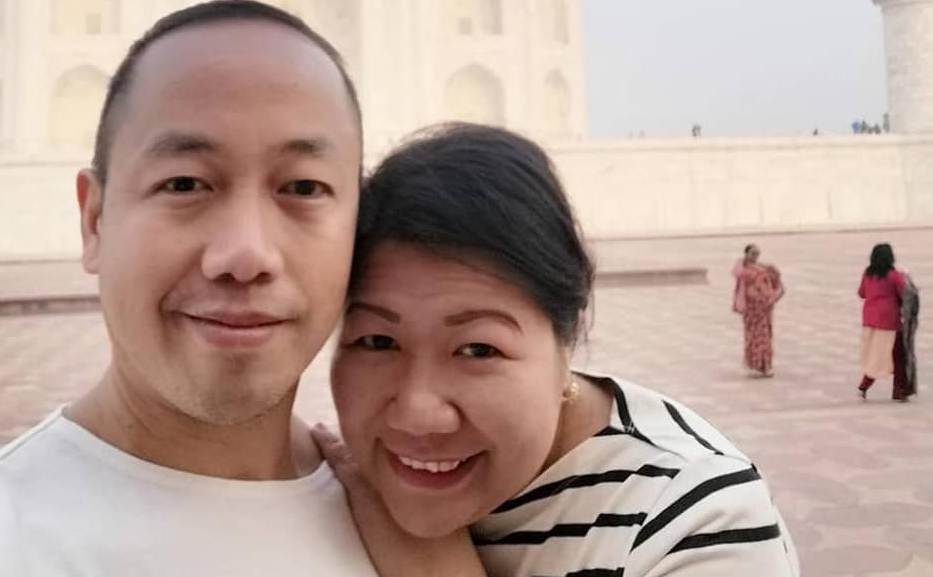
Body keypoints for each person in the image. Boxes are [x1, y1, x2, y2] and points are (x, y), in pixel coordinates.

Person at [0, 0, 377, 575]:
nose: (245, 255)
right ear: (95, 221)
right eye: (184, 183)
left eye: (304, 188)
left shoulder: (415, 519)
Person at [318, 123, 800, 576]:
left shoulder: (694, 518)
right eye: (378, 341)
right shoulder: (321, 489)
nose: (419, 414)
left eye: (478, 350)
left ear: (565, 342)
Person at [857, 242, 915, 401]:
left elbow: (861, 293)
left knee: (875, 355)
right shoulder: (894, 275)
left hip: (869, 320)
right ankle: (899, 391)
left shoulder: (867, 274)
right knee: (898, 357)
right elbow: (906, 294)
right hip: (889, 321)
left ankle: (864, 386)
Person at [731, 243, 784, 377]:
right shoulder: (743, 269)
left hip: (765, 308)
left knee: (765, 336)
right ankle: (754, 366)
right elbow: (738, 272)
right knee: (754, 336)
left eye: (757, 253)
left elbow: (776, 281)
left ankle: (765, 366)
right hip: (752, 309)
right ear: (746, 254)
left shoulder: (762, 268)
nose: (755, 256)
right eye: (753, 253)